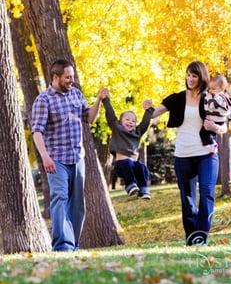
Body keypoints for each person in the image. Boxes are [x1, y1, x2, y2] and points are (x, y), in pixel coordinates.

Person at [31, 59, 108, 252]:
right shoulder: (43, 100)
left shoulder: (76, 94)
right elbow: (37, 131)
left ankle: (73, 244)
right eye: (68, 77)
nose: (71, 80)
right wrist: (45, 157)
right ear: (55, 77)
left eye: (72, 76)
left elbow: (89, 119)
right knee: (59, 199)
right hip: (56, 158)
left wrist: (98, 100)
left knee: (77, 204)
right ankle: (62, 246)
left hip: (77, 157)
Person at [152, 61, 227, 246]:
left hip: (206, 153)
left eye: (194, 75)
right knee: (187, 199)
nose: (190, 79)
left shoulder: (211, 98)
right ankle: (192, 237)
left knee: (207, 193)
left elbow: (224, 126)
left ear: (202, 77)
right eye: (188, 75)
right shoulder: (178, 98)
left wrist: (214, 127)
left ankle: (201, 236)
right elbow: (155, 112)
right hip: (183, 154)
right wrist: (147, 108)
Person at [102, 93, 154, 199]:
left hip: (133, 165)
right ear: (120, 122)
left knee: (141, 166)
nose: (130, 122)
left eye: (133, 121)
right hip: (122, 165)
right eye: (127, 120)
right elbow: (111, 115)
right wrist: (105, 100)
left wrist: (148, 110)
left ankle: (144, 190)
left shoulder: (137, 133)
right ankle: (130, 186)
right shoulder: (117, 128)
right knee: (128, 163)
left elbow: (145, 123)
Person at [200, 74, 231, 147]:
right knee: (206, 133)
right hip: (215, 120)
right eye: (209, 88)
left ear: (221, 89)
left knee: (205, 133)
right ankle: (210, 143)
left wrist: (209, 97)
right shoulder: (213, 95)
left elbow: (211, 106)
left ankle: (211, 144)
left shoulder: (219, 97)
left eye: (213, 89)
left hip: (217, 120)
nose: (210, 90)